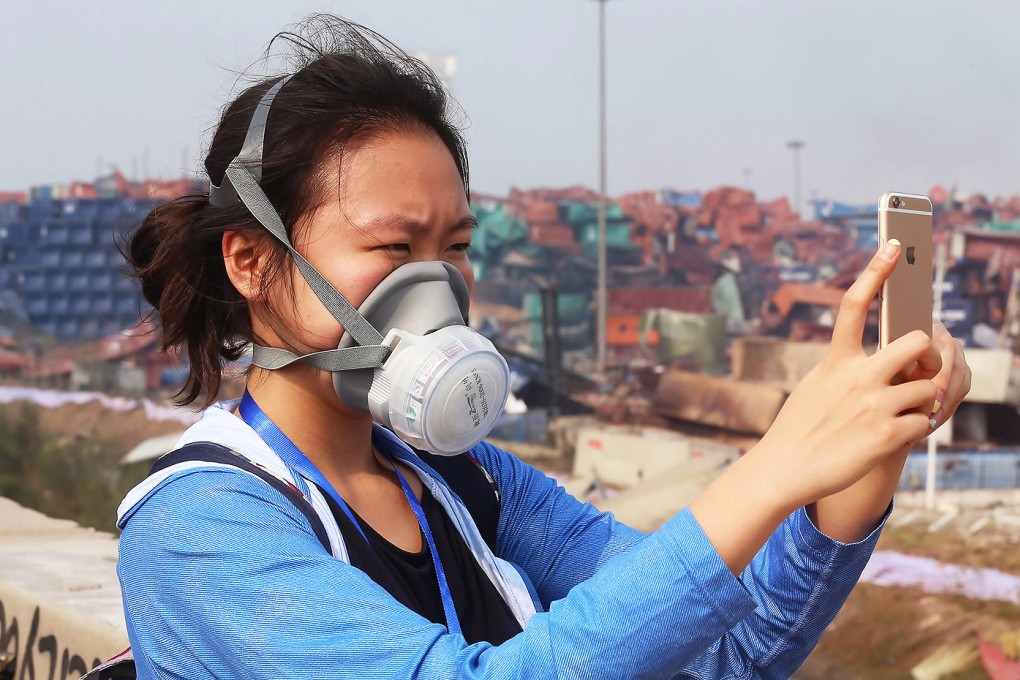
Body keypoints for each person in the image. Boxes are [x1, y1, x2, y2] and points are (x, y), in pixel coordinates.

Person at [115, 15, 971, 679]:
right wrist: (774, 468)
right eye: (391, 247)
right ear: (253, 260)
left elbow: (724, 653)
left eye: (454, 246)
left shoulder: (464, 478)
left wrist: (861, 471)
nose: (437, 284)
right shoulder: (198, 527)